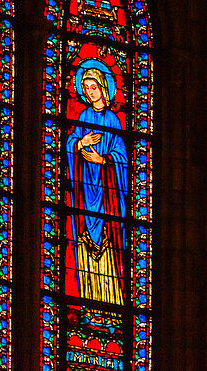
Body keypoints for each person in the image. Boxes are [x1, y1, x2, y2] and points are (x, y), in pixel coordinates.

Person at [65, 66, 128, 304]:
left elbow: (122, 155)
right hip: (85, 189)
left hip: (106, 192)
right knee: (84, 244)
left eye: (94, 88)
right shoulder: (83, 117)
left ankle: (109, 306)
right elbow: (72, 143)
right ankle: (87, 303)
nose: (90, 93)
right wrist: (81, 142)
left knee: (108, 245)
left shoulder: (112, 119)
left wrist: (103, 161)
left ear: (103, 89)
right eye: (86, 89)